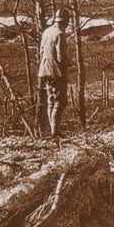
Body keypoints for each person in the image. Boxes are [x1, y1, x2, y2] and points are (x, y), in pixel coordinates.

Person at [38, 9, 71, 138]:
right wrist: (71, 63)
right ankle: (55, 132)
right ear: (65, 22)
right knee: (60, 101)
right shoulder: (60, 34)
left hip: (44, 69)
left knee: (51, 100)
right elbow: (62, 58)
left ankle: (53, 131)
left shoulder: (47, 31)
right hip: (56, 71)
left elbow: (41, 52)